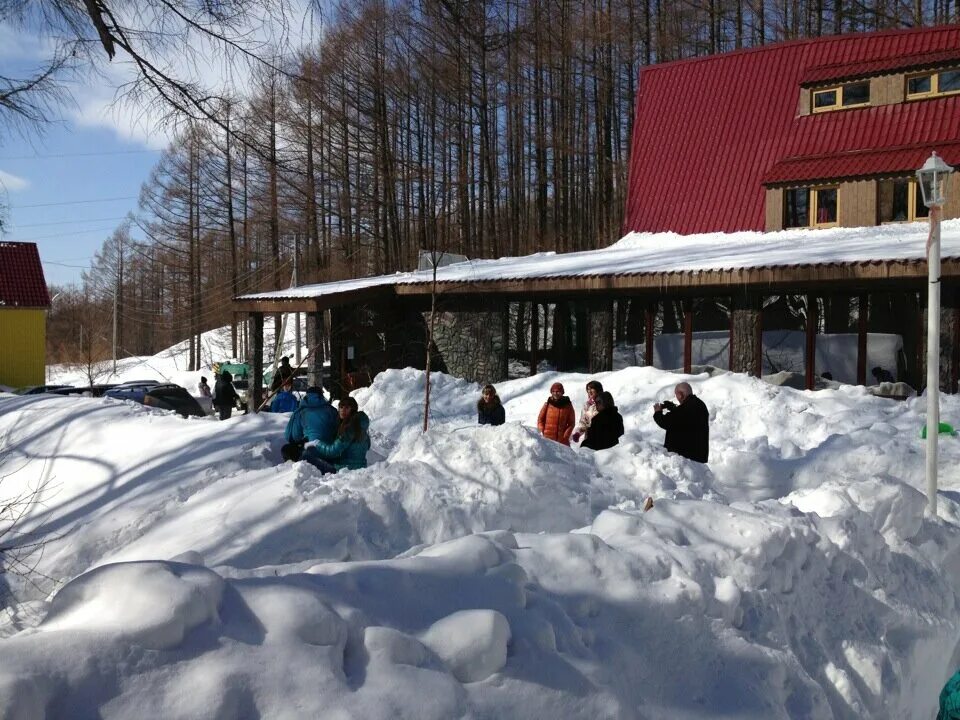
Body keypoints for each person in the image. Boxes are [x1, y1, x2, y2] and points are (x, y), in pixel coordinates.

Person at [303, 396, 371, 473]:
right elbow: (367, 446)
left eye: (347, 408)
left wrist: (316, 443)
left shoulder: (349, 428)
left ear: (353, 410)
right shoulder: (361, 426)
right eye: (341, 407)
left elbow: (332, 452)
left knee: (306, 455)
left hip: (345, 470)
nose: (343, 410)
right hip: (360, 467)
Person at [653, 381, 709, 462]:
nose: (677, 398)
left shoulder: (685, 409)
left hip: (686, 458)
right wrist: (673, 408)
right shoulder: (700, 404)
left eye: (676, 395)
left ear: (680, 394)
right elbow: (684, 420)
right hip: (699, 456)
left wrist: (658, 412)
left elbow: (665, 422)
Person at [281, 386, 338, 462]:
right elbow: (337, 431)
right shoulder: (332, 410)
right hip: (330, 451)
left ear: (307, 395)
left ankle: (296, 468)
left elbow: (292, 437)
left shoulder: (300, 412)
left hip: (310, 452)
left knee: (286, 449)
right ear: (321, 396)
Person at [537, 382, 576, 446]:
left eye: (558, 391)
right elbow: (540, 420)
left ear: (562, 392)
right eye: (553, 391)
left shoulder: (568, 405)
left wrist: (566, 436)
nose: (555, 393)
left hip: (562, 441)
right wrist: (542, 431)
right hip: (547, 440)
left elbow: (571, 423)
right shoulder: (547, 404)